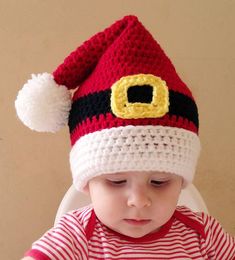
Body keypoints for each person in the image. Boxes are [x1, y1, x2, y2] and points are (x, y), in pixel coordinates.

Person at [16, 15, 235, 259]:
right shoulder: (76, 236)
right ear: (87, 183)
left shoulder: (204, 235)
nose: (139, 201)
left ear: (181, 182)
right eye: (117, 181)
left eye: (160, 182)